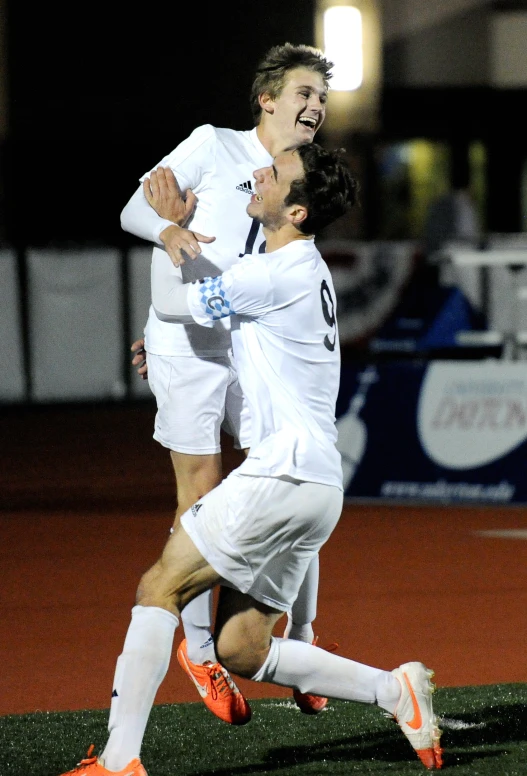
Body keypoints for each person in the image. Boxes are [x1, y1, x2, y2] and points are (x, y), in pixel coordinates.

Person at [59, 144, 443, 776]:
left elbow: (193, 301)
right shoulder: (293, 267)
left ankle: (120, 760)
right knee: (243, 648)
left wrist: (172, 229)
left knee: (159, 586)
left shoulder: (273, 271)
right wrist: (168, 348)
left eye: (274, 175)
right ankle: (390, 690)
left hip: (282, 473)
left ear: (295, 210)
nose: (258, 173)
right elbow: (239, 339)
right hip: (316, 486)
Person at [121, 42, 335, 723]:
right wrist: (170, 233)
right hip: (186, 343)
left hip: (247, 342)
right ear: (266, 98)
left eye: (322, 98)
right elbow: (133, 210)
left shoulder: (295, 179)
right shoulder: (212, 145)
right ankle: (204, 652)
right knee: (202, 496)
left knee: (286, 481)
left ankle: (299, 644)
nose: (316, 106)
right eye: (304, 92)